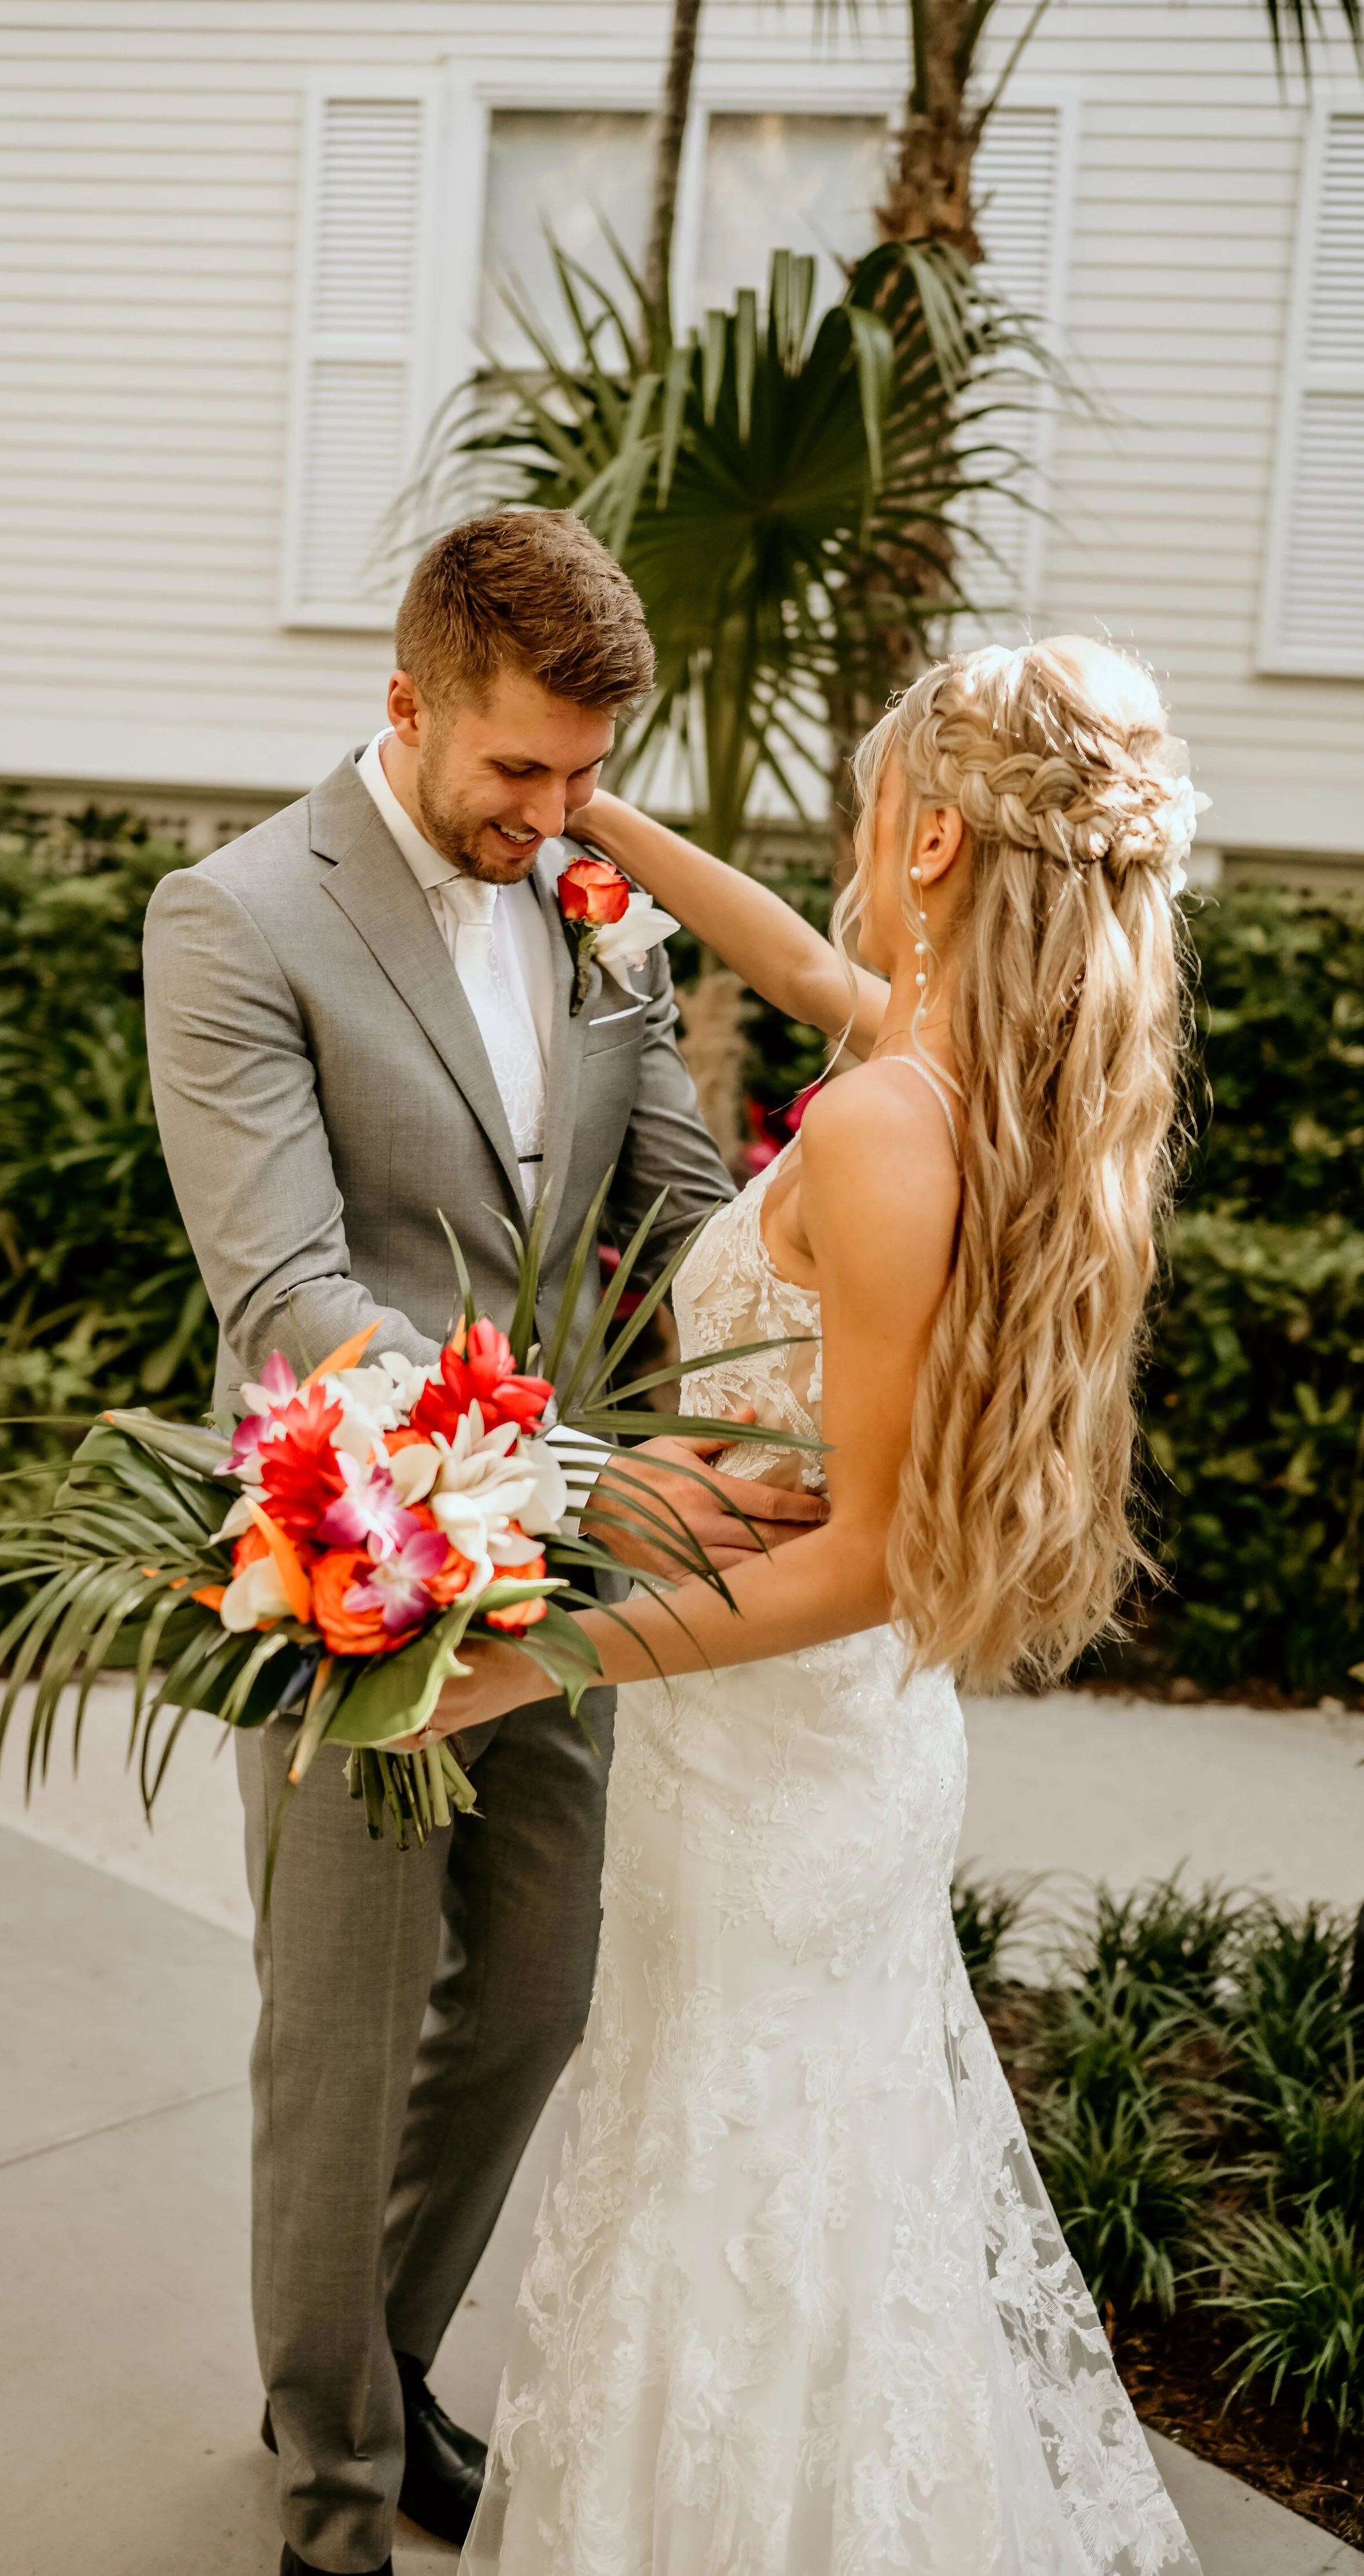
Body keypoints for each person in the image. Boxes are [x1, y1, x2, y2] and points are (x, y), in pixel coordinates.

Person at [430, 637, 1205, 2574]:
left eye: (875, 804)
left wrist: (537, 1656)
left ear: (927, 836)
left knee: (726, 2202)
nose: (856, 841)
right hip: (836, 1757)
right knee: (820, 2201)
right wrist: (600, 824)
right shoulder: (973, 1079)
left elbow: (875, 1556)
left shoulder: (882, 1128)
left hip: (774, 1755)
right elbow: (793, 961)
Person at [142, 509, 826, 2576]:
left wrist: (818, 1332)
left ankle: (382, 2366)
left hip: (575, 1568)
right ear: (409, 702)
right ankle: (332, 2490)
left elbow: (680, 1197)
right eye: (516, 770)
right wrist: (583, 1467)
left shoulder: (593, 885)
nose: (552, 814)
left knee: (530, 1990)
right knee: (337, 2048)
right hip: (347, 1550)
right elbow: (288, 1292)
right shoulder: (235, 917)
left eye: (585, 771)